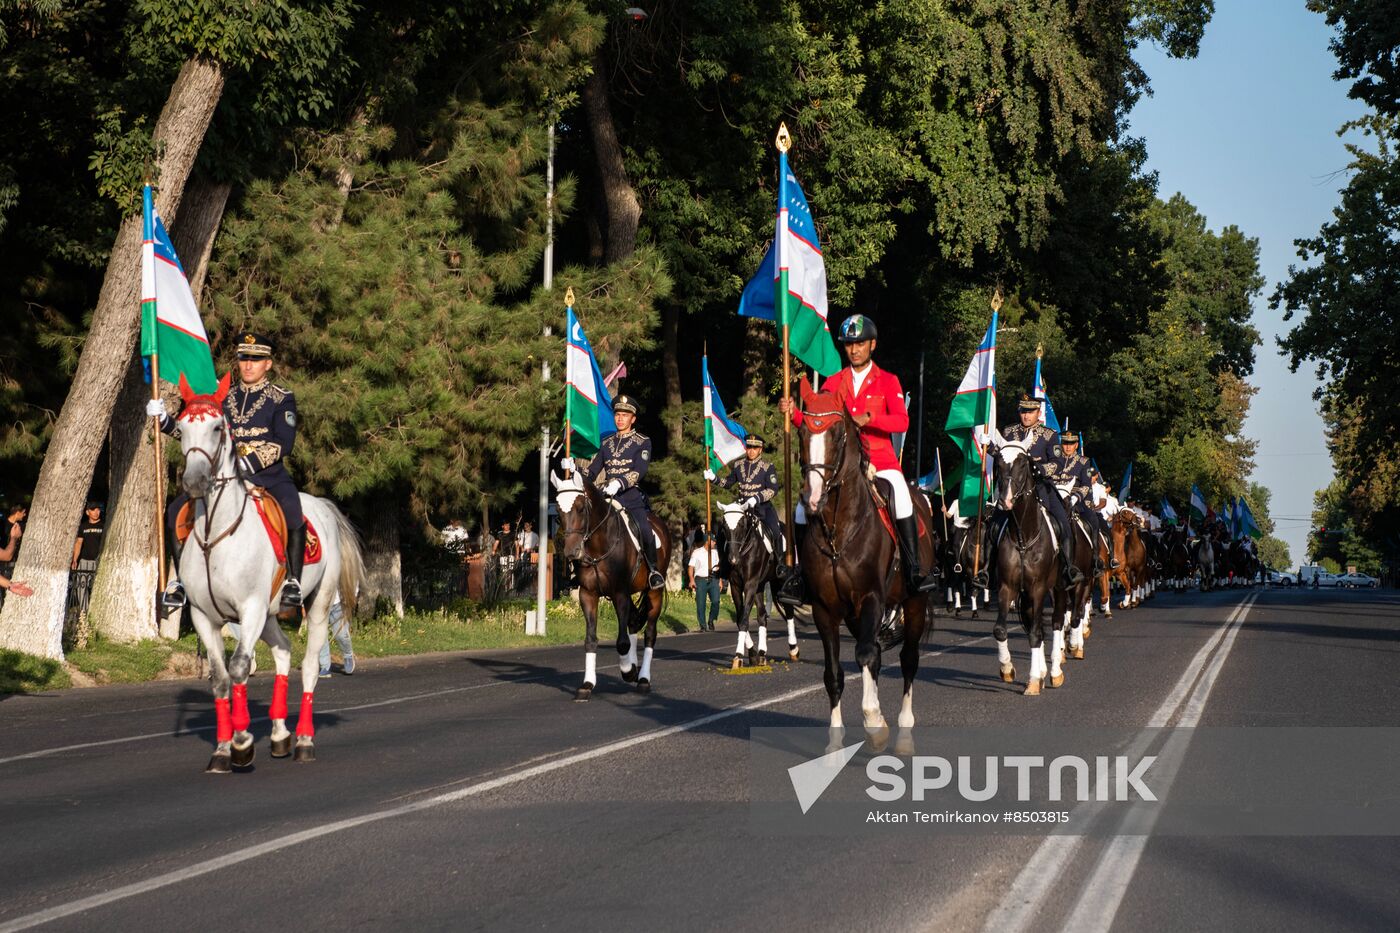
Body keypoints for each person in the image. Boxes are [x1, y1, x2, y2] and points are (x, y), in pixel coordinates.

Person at [149, 331, 307, 613]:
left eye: (255, 359)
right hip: (223, 477)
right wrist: (165, 422)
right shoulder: (224, 398)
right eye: (244, 358)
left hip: (267, 475)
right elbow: (198, 433)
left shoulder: (281, 398)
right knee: (175, 512)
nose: (248, 365)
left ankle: (293, 581)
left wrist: (251, 463)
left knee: (293, 511)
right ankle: (180, 582)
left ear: (267, 364)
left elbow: (285, 442)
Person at [780, 314, 935, 593]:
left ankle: (914, 570)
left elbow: (901, 421)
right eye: (849, 344)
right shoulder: (832, 382)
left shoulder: (888, 380)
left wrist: (870, 419)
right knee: (802, 508)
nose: (854, 350)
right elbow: (817, 423)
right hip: (842, 466)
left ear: (872, 345)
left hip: (881, 461)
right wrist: (794, 415)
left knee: (901, 493)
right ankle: (800, 575)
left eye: (860, 344)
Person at [570, 395, 665, 589]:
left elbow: (640, 471)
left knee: (645, 531)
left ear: (633, 419)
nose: (620, 418)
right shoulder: (607, 443)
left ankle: (653, 570)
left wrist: (620, 483)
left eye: (625, 415)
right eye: (618, 414)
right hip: (606, 497)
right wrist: (575, 468)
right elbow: (593, 471)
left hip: (629, 497)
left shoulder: (642, 442)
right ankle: (578, 570)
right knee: (582, 526)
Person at [999, 392, 1086, 586]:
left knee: (1064, 523)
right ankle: (987, 570)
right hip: (1013, 488)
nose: (1026, 416)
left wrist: (1040, 469)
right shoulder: (1009, 432)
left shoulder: (1049, 435)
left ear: (1038, 412)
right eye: (1023, 411)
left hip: (1041, 487)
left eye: (1030, 411)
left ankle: (1069, 568)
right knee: (993, 524)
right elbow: (1002, 457)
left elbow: (1057, 463)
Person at [705, 434, 783, 553]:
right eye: (749, 447)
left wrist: (756, 498)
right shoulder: (738, 465)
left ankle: (780, 565)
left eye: (754, 448)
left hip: (762, 509)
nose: (751, 451)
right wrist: (714, 478)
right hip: (741, 508)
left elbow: (773, 489)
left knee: (776, 532)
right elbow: (728, 483)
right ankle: (721, 566)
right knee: (722, 533)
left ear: (760, 449)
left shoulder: (768, 467)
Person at [687, 534, 724, 632]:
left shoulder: (715, 552)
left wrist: (720, 580)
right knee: (701, 603)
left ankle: (711, 620)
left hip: (714, 579)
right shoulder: (697, 552)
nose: (715, 543)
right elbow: (691, 567)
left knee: (716, 601)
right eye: (713, 541)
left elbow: (718, 567)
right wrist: (691, 580)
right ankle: (703, 626)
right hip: (701, 580)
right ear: (707, 541)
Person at [317, 592, 356, 677]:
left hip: (339, 603)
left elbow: (352, 579)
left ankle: (348, 655)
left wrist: (353, 595)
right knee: (320, 635)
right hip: (319, 604)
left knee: (341, 635)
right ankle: (325, 667)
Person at [71, 501, 105, 572]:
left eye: (98, 510)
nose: (96, 512)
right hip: (84, 561)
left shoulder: (104, 525)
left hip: (100, 562)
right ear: (87, 512)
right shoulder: (83, 526)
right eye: (93, 510)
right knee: (82, 583)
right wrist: (75, 559)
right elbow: (79, 543)